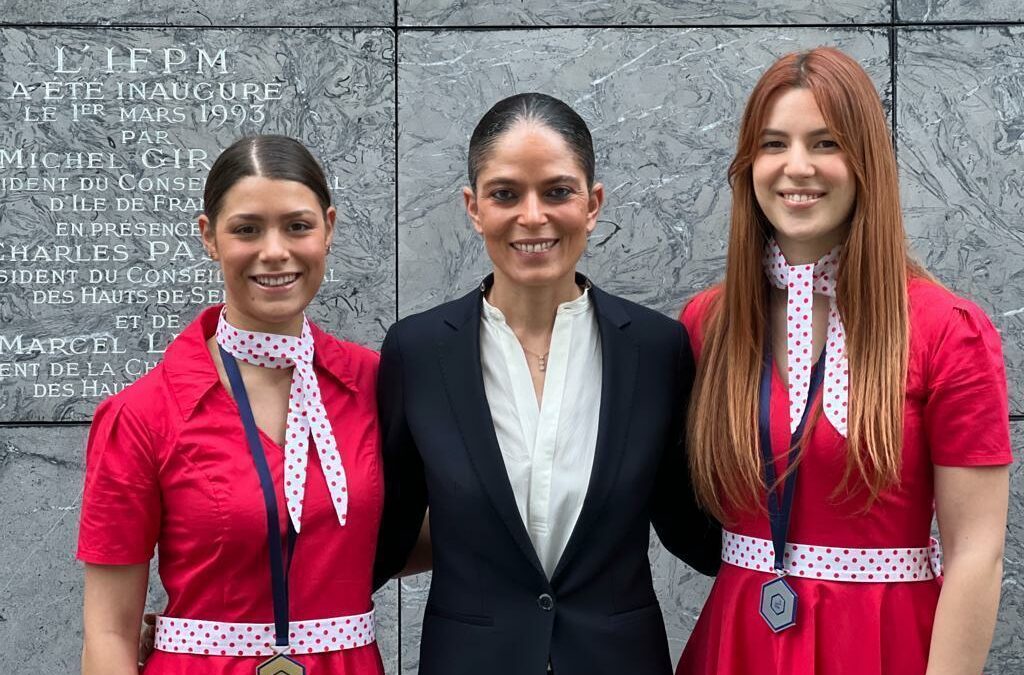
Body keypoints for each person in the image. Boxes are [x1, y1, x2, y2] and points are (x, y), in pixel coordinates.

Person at [676, 47, 1012, 675]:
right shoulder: (707, 324)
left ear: (865, 164)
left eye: (825, 143)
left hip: (883, 646)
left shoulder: (948, 331)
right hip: (739, 643)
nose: (796, 167)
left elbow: (977, 553)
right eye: (774, 144)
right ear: (749, 164)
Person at [373, 92, 720, 675]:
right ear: (473, 206)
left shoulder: (658, 351)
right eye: (505, 194)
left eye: (557, 191)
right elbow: (382, 536)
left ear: (593, 203)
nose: (532, 216)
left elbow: (697, 531)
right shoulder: (418, 352)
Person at [77, 135, 384, 674]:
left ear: (328, 229)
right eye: (246, 229)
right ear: (209, 237)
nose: (274, 251)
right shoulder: (143, 414)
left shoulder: (374, 383)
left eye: (297, 225)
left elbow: (427, 526)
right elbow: (107, 632)